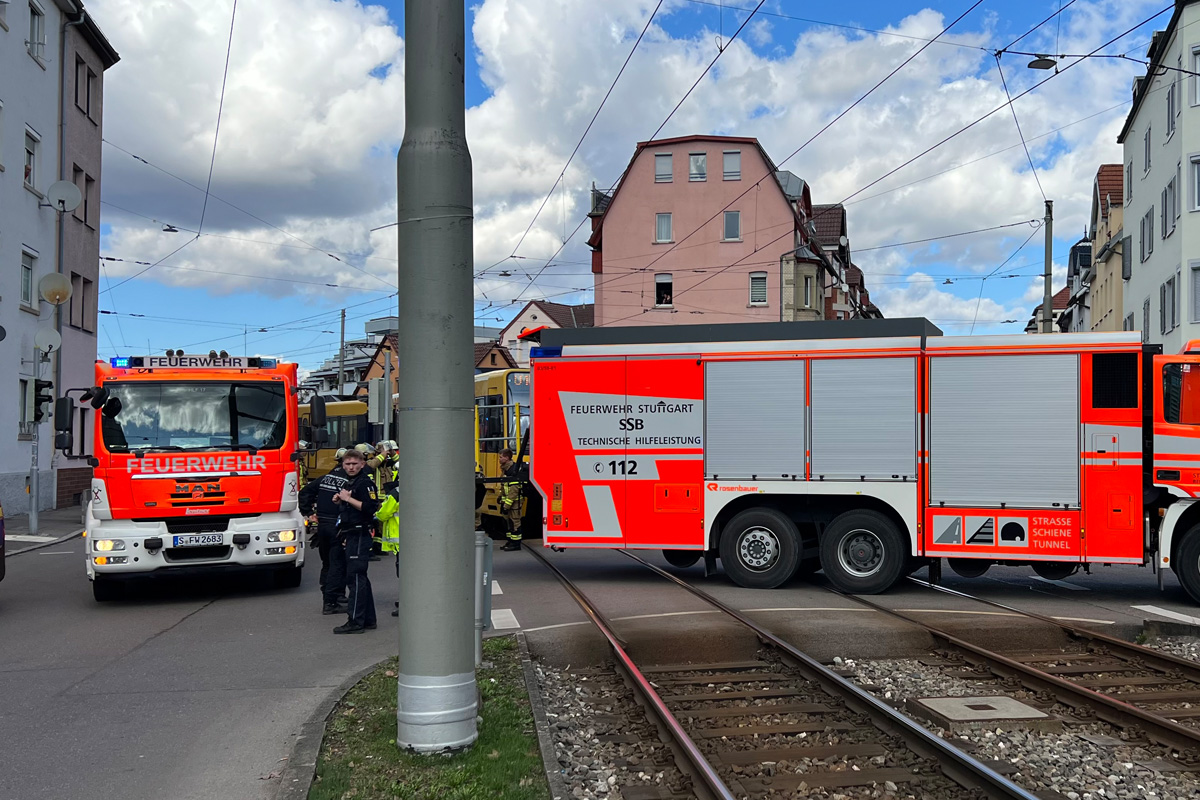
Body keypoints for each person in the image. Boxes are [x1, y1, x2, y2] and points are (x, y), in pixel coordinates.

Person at [331, 447, 380, 634]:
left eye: (354, 464)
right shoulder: (351, 483)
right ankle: (368, 619)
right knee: (361, 579)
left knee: (356, 578)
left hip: (360, 533)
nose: (351, 467)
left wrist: (347, 500)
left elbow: (369, 508)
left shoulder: (364, 483)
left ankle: (355, 621)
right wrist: (341, 500)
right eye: (347, 464)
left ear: (362, 464)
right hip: (350, 532)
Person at [298, 448, 350, 614]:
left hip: (323, 527)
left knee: (327, 564)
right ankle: (331, 602)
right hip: (336, 526)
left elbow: (305, 492)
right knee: (337, 564)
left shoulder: (325, 478)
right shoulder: (348, 481)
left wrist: (308, 513)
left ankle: (335, 596)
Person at [375, 481, 401, 616]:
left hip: (400, 540)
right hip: (413, 539)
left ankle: (406, 603)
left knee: (404, 574)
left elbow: (383, 513)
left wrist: (376, 515)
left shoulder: (396, 493)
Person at [498, 448, 523, 551]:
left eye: (501, 457)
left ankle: (516, 544)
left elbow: (513, 491)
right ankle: (510, 541)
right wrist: (501, 498)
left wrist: (506, 505)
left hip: (514, 503)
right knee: (508, 523)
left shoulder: (513, 470)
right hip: (507, 502)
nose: (499, 459)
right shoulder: (505, 469)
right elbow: (504, 486)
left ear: (507, 458)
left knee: (514, 523)